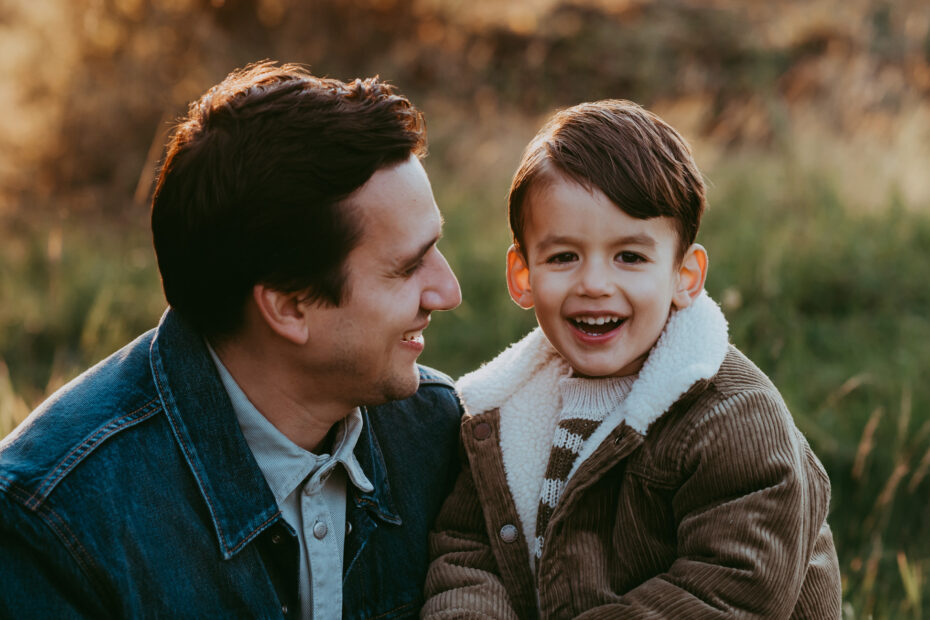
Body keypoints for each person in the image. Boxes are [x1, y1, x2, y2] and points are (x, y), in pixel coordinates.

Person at [0, 62, 464, 619]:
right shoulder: (49, 523)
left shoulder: (439, 433)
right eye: (408, 267)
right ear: (289, 307)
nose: (448, 291)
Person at [422, 100, 842, 618]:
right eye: (563, 257)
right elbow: (467, 550)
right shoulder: (497, 415)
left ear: (685, 276)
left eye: (630, 257)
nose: (595, 284)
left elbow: (729, 589)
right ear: (522, 275)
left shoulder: (732, 417)